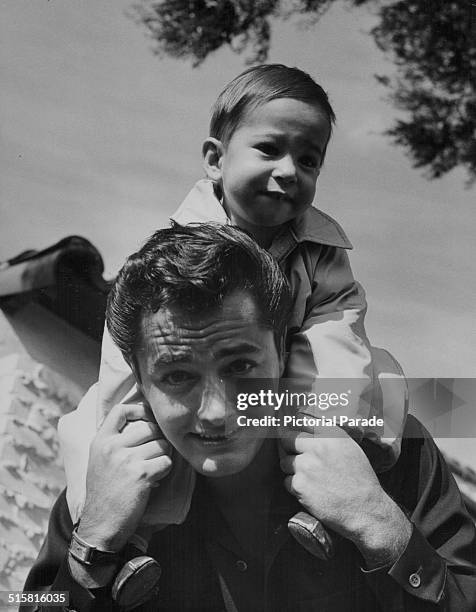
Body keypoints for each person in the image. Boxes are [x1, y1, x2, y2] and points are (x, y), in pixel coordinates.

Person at [24, 224, 476, 611]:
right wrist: (93, 545)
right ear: (140, 382)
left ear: (280, 353)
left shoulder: (393, 450)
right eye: (178, 376)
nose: (217, 411)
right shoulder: (99, 483)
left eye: (240, 367)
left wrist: (381, 525)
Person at [60, 64, 408, 533]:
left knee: (385, 373)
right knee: (89, 426)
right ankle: (120, 534)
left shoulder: (322, 256)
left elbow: (336, 335)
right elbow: (131, 354)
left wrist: (315, 419)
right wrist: (125, 429)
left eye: (309, 161)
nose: (288, 171)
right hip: (186, 407)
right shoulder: (175, 251)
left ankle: (336, 495)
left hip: (279, 397)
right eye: (269, 149)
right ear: (215, 160)